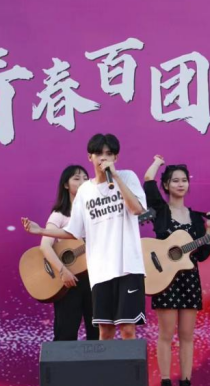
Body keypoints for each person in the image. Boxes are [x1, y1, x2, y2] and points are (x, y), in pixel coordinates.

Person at [23, 133, 147, 340]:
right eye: (98, 153)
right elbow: (73, 231)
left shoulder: (128, 177)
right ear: (90, 157)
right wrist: (41, 230)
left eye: (109, 153)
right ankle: (106, 364)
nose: (103, 158)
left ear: (116, 157)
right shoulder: (85, 191)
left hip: (128, 267)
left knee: (127, 329)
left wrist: (115, 177)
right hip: (100, 271)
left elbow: (137, 209)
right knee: (104, 331)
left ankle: (126, 364)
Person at [144, 155, 210, 386]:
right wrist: (157, 162)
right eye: (175, 180)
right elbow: (148, 181)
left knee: (187, 335)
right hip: (164, 278)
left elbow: (202, 254)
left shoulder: (196, 217)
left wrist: (209, 230)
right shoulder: (161, 211)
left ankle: (186, 384)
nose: (180, 184)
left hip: (189, 279)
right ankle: (166, 382)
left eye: (184, 180)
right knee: (166, 334)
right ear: (166, 185)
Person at [40, 165, 99, 342]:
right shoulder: (59, 215)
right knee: (65, 334)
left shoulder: (96, 211)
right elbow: (45, 246)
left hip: (95, 278)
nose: (82, 182)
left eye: (85, 178)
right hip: (68, 281)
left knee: (98, 334)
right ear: (66, 185)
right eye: (76, 178)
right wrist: (62, 271)